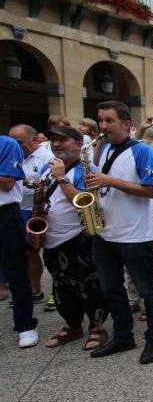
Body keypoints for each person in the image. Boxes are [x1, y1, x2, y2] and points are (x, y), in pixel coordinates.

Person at [87, 100, 153, 364]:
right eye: (100, 120)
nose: (103, 125)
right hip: (106, 233)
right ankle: (123, 335)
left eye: (109, 120)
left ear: (126, 124)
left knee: (148, 290)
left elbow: (150, 190)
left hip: (134, 235)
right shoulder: (106, 148)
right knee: (111, 289)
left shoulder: (141, 151)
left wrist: (109, 181)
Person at [38, 126, 108, 349]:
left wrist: (61, 178)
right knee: (61, 287)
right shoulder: (46, 169)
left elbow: (83, 201)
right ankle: (72, 324)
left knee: (89, 286)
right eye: (53, 140)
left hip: (78, 238)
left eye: (63, 140)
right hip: (52, 239)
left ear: (79, 144)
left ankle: (97, 327)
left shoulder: (86, 170)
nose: (56, 144)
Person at [0, 127, 39, 348]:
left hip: (5, 215)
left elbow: (6, 182)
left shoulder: (6, 143)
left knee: (16, 272)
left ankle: (26, 325)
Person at [10, 124, 53, 302]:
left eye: (19, 142)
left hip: (39, 211)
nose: (15, 147)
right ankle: (35, 291)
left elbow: (51, 183)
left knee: (49, 251)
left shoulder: (46, 157)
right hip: (19, 210)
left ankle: (55, 292)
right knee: (28, 253)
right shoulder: (13, 155)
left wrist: (30, 183)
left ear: (34, 139)